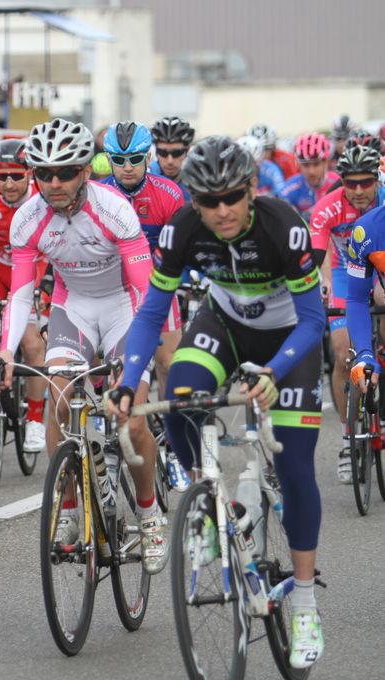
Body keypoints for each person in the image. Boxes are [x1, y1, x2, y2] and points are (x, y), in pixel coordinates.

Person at [113, 136, 326, 670]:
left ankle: (304, 602)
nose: (222, 211)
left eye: (231, 197)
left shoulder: (283, 226)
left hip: (289, 341)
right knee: (179, 395)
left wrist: (275, 372)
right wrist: (129, 379)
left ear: (251, 191)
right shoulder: (181, 231)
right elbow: (150, 314)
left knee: (297, 469)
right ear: (194, 202)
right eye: (209, 202)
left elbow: (315, 318)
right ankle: (206, 504)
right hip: (225, 326)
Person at [0, 118, 167, 575]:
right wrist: (8, 351)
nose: (53, 183)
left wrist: (132, 363)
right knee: (58, 397)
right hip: (73, 309)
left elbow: (145, 290)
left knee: (132, 421)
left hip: (123, 310)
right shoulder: (27, 219)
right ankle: (70, 508)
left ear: (86, 172)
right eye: (44, 173)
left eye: (65, 172)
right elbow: (20, 293)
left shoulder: (115, 211)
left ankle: (149, 514)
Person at [101, 122, 186, 462]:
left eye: (135, 158)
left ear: (147, 156)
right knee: (102, 363)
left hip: (158, 288)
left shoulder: (169, 194)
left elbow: (182, 245)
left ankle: (172, 440)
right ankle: (107, 425)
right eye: (118, 160)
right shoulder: (99, 193)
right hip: (112, 289)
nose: (127, 167)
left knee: (168, 362)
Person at [309, 138, 385, 483]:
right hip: (343, 271)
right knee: (342, 354)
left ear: (377, 180)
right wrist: (324, 284)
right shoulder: (327, 208)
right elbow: (319, 254)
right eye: (349, 183)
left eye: (365, 182)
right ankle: (347, 438)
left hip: (378, 268)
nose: (357, 190)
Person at [0, 139, 47, 452]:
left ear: (30, 173)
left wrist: (40, 290)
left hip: (30, 272)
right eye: (1, 176)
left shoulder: (42, 201)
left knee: (32, 344)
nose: (8, 183)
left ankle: (35, 418)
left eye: (16, 176)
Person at [280, 133, 338, 221]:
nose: (311, 171)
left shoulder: (338, 183)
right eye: (306, 165)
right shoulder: (289, 189)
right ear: (298, 165)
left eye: (316, 164)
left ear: (326, 163)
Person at [149, 116, 195, 198]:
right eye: (163, 152)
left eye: (176, 153)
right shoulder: (145, 177)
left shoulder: (196, 180)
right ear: (156, 151)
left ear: (187, 151)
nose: (170, 161)